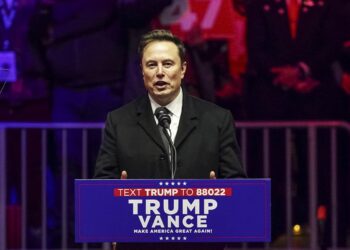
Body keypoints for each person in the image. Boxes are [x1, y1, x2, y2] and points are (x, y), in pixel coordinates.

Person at [94, 29, 246, 250]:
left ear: (183, 69)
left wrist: (221, 196)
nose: (160, 73)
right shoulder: (118, 121)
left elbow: (237, 184)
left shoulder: (217, 119)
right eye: (151, 65)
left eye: (167, 64)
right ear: (142, 71)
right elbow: (101, 185)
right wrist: (116, 197)